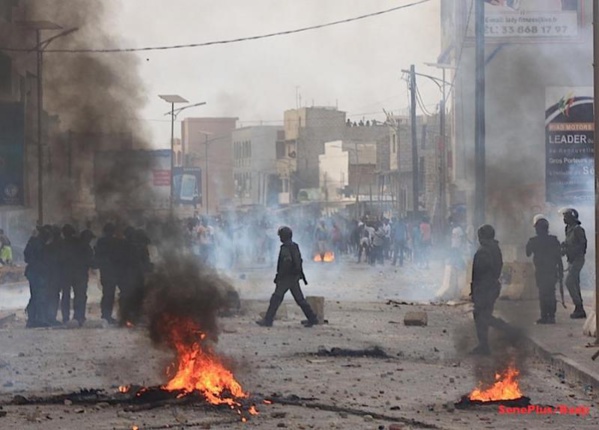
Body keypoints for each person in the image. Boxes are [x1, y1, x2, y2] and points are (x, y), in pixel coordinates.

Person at [256, 226, 318, 328]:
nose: (280, 238)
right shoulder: (295, 246)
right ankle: (312, 318)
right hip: (294, 277)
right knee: (300, 299)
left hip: (286, 277)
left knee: (276, 298)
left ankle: (268, 320)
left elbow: (286, 263)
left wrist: (279, 276)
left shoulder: (285, 248)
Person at [470, 224, 513, 355]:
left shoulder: (484, 251)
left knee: (482, 316)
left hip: (484, 288)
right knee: (482, 315)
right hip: (491, 287)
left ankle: (506, 328)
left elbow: (480, 272)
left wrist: (476, 289)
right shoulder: (495, 248)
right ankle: (484, 345)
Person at [525, 216, 563, 324]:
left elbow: (527, 253)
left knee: (543, 294)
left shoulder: (533, 241)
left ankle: (545, 316)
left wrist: (530, 243)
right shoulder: (554, 240)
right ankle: (551, 316)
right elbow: (558, 258)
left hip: (541, 271)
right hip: (552, 271)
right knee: (550, 293)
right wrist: (560, 272)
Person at [560, 208, 587, 319]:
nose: (564, 219)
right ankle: (579, 309)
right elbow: (568, 243)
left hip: (578, 259)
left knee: (569, 282)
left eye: (566, 216)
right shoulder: (568, 229)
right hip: (571, 260)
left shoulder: (578, 229)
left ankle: (579, 306)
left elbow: (583, 245)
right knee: (575, 284)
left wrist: (571, 251)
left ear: (572, 217)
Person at [95, 223, 122, 324]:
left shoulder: (101, 242)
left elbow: (97, 256)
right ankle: (107, 315)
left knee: (107, 294)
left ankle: (105, 315)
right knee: (110, 295)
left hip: (106, 271)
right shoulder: (116, 242)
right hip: (113, 271)